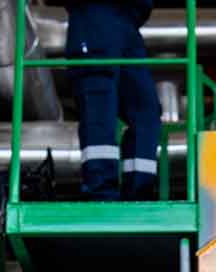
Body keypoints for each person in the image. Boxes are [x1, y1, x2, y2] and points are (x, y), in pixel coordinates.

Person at [65, 0, 162, 200]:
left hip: (129, 22)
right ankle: (101, 192)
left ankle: (139, 193)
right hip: (95, 14)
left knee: (146, 111)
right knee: (99, 104)